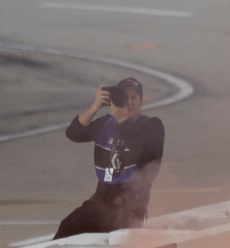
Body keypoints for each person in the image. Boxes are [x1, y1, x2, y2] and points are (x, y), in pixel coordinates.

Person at [57, 78, 164, 238]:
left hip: (129, 207)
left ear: (141, 102)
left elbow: (143, 153)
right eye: (124, 98)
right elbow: (74, 133)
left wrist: (122, 119)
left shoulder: (152, 126)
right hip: (100, 203)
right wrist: (96, 105)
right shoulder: (106, 124)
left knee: (113, 245)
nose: (129, 103)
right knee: (68, 227)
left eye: (133, 98)